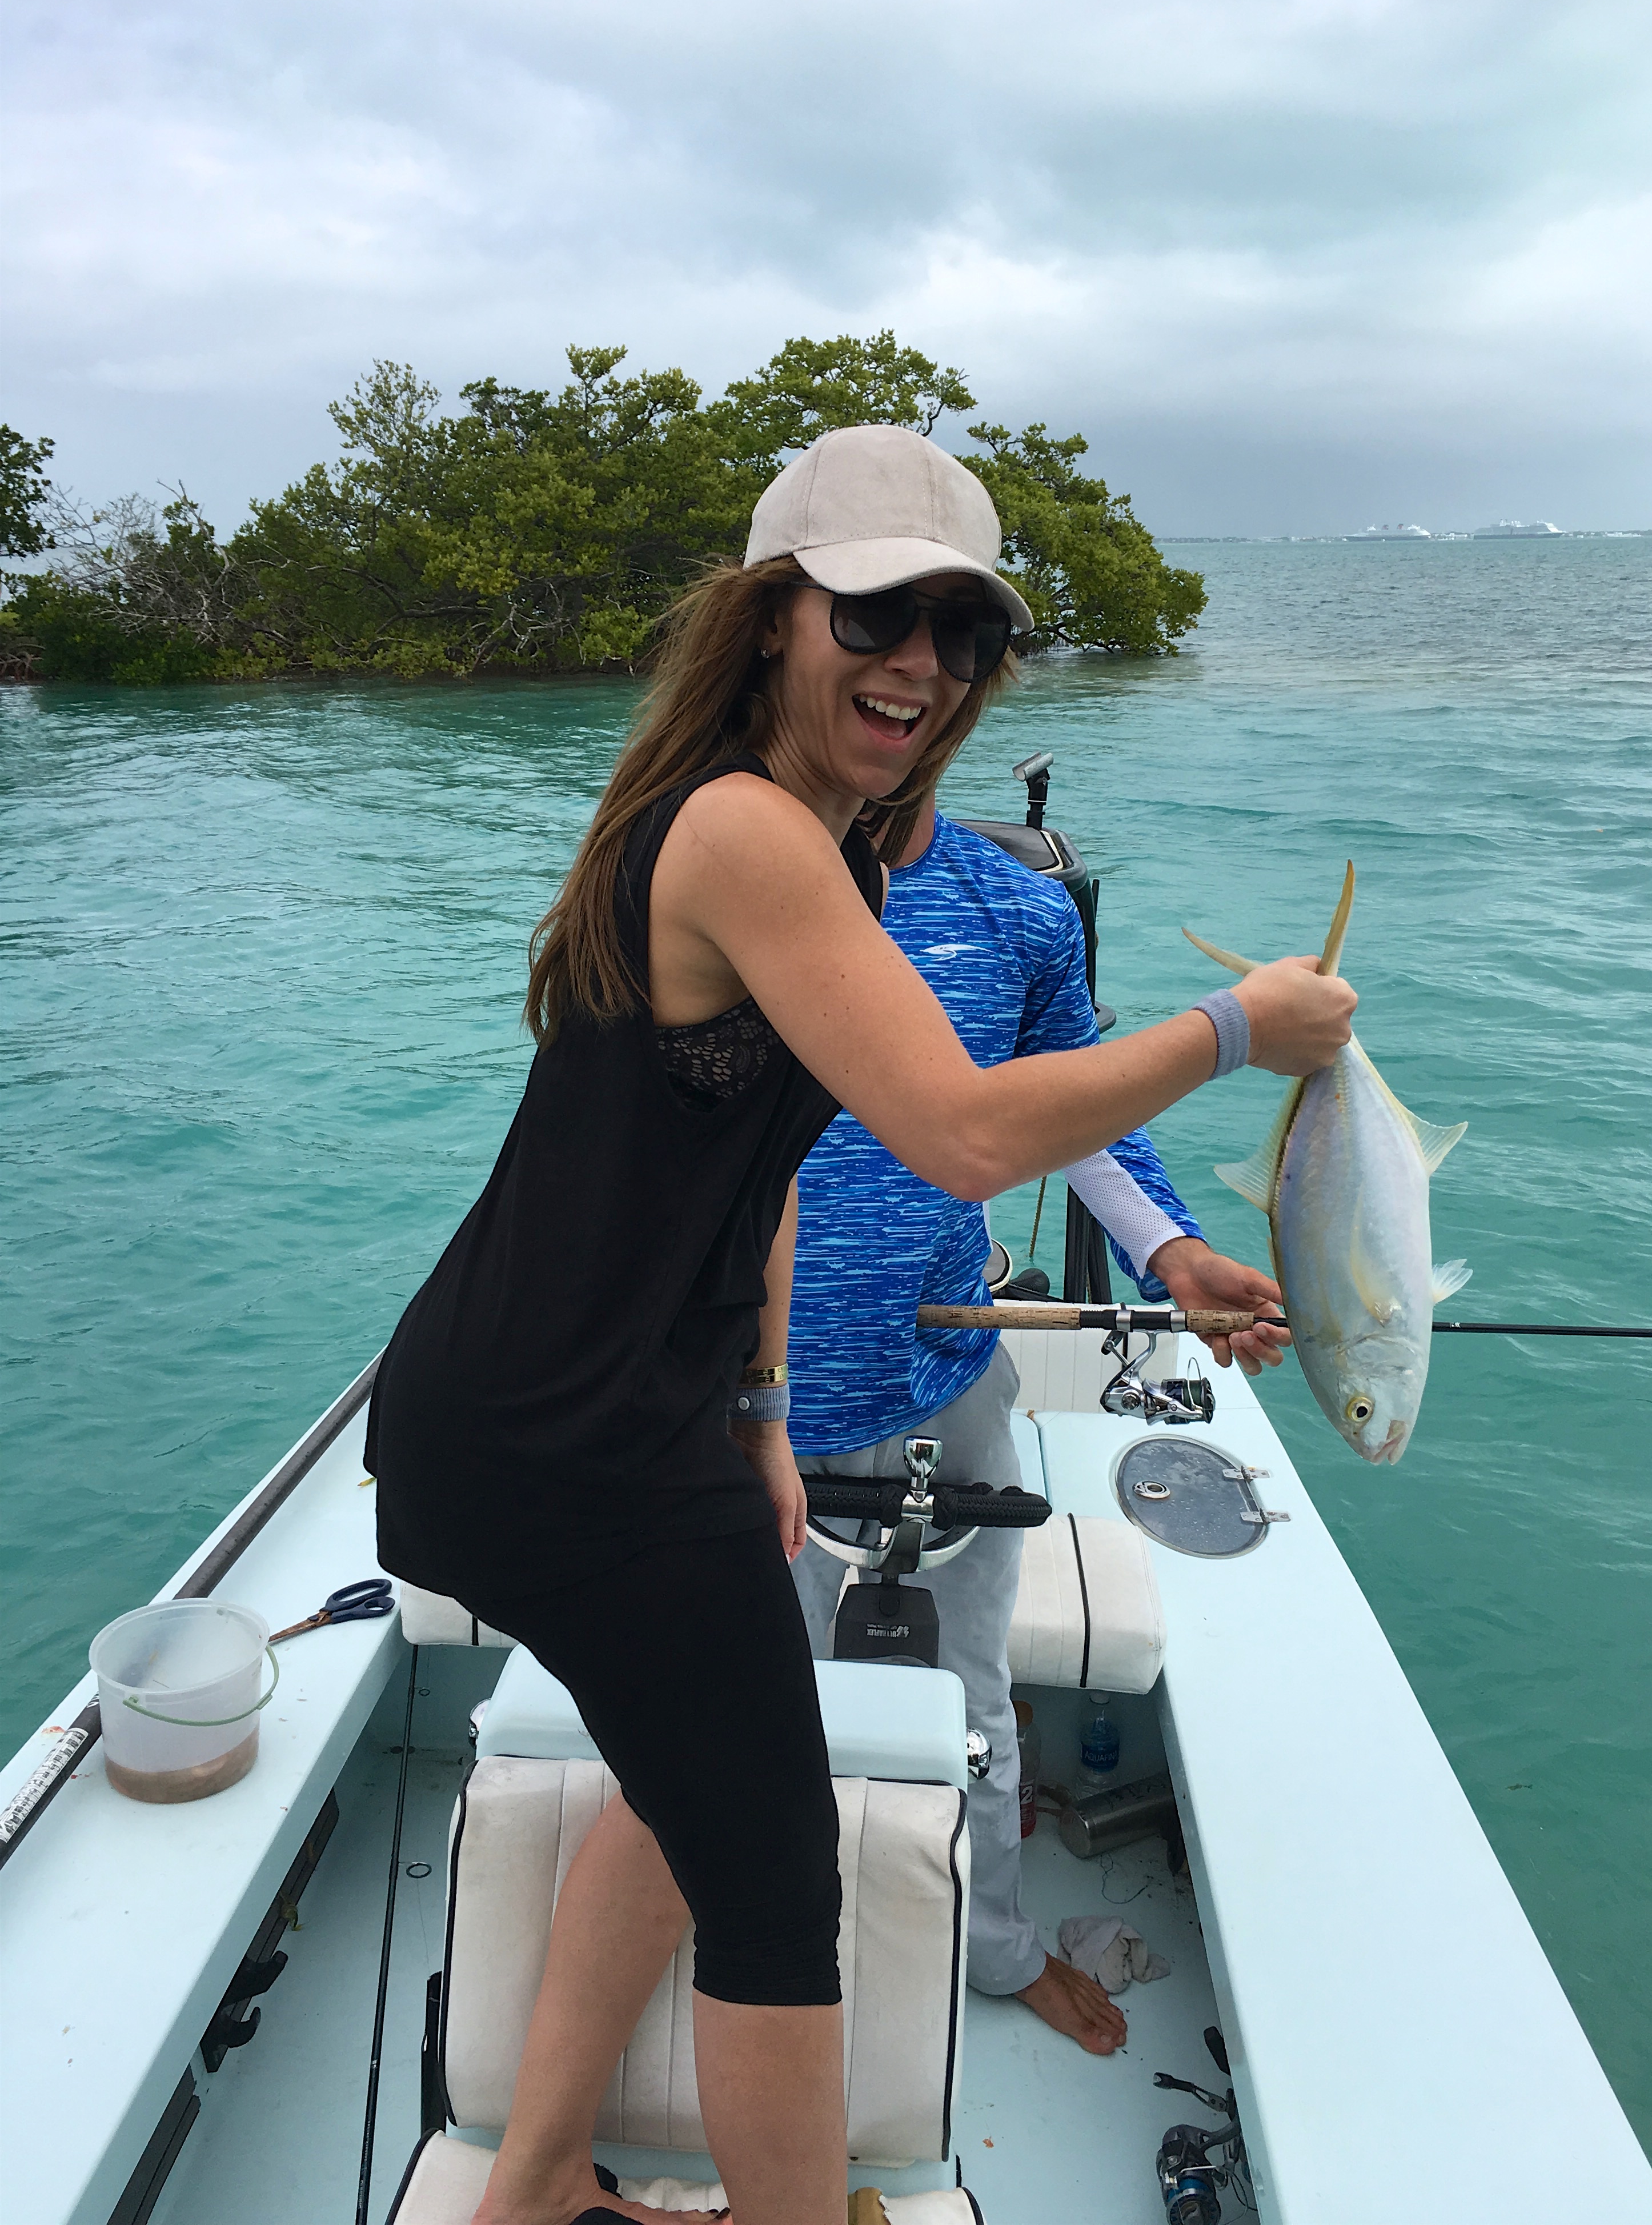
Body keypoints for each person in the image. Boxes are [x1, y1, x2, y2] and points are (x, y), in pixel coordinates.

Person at [366, 422, 1356, 2225]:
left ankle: (535, 2189)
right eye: (878, 612)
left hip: (604, 1419)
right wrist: (1238, 1031)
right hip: (564, 1446)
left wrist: (756, 1407)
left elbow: (766, 1169)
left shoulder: (831, 859)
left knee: (682, 1798)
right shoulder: (747, 833)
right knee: (772, 1883)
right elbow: (962, 1131)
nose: (924, 661)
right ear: (773, 619)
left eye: (964, 631)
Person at [788, 790, 1287, 2058]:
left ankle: (996, 1947)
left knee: (973, 1702)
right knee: (744, 1708)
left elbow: (1081, 1118)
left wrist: (1174, 1252)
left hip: (943, 1387)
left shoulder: (1017, 909)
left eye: (959, 673)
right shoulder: (729, 884)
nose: (915, 689)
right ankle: (772, 1939)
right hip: (738, 1407)